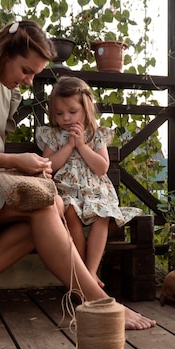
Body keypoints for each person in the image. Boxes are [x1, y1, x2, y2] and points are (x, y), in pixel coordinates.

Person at [0, 20, 155, 330]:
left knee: (49, 207)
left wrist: (33, 167)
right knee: (44, 205)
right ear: (5, 52)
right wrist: (18, 162)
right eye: (26, 70)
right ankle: (99, 302)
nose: (29, 79)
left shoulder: (6, 92)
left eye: (34, 73)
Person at [37, 76, 142, 288]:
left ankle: (91, 272)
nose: (65, 118)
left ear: (86, 109)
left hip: (95, 191)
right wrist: (68, 146)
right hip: (67, 191)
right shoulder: (54, 136)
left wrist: (82, 145)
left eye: (72, 112)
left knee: (102, 216)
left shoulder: (96, 135)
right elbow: (50, 165)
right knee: (70, 213)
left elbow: (102, 167)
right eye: (59, 113)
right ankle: (81, 272)